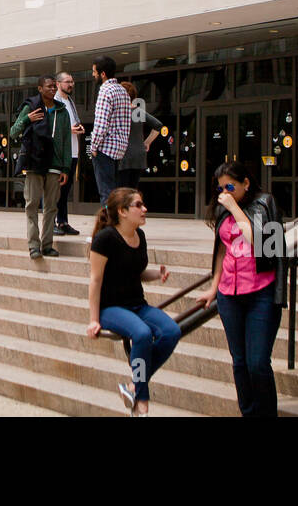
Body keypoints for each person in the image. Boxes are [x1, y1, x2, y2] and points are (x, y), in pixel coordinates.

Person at [196, 161, 287, 418]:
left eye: (230, 186)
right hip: (229, 295)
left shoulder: (263, 204)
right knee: (240, 362)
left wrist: (235, 208)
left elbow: (257, 241)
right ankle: (248, 412)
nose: (224, 192)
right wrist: (213, 288)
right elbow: (221, 250)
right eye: (220, 188)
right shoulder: (223, 209)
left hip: (261, 291)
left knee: (258, 362)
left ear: (246, 183)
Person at [85, 187, 178, 416]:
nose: (144, 209)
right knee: (142, 334)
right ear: (122, 211)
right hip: (111, 308)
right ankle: (142, 402)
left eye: (142, 204)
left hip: (138, 304)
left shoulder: (140, 236)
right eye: (138, 205)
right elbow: (95, 280)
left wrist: (156, 275)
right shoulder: (105, 239)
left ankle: (134, 385)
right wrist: (93, 320)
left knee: (172, 331)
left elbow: (136, 272)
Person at [9, 74, 72, 259]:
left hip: (54, 165)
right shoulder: (31, 106)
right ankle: (33, 245)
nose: (52, 89)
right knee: (32, 205)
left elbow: (67, 141)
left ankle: (47, 245)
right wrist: (27, 119)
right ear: (39, 89)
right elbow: (13, 132)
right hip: (34, 163)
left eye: (54, 86)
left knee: (51, 207)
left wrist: (66, 168)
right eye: (48, 86)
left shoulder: (62, 111)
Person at [88, 55, 131, 205]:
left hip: (105, 148)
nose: (93, 75)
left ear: (103, 74)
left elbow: (101, 123)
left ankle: (109, 225)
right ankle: (118, 224)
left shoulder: (105, 91)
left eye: (94, 72)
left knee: (106, 193)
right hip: (119, 149)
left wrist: (93, 147)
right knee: (115, 193)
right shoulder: (122, 91)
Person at [52, 71, 84, 235]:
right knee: (53, 190)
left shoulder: (70, 102)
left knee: (65, 191)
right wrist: (68, 129)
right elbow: (50, 127)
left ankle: (63, 222)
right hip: (58, 154)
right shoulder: (53, 102)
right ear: (58, 84)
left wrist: (78, 128)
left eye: (72, 81)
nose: (71, 84)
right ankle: (50, 223)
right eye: (67, 82)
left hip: (72, 152)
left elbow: (72, 124)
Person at [117, 81, 163, 189]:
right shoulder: (138, 112)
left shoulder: (118, 113)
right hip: (139, 156)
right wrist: (147, 142)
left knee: (121, 190)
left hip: (123, 156)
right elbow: (158, 125)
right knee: (133, 188)